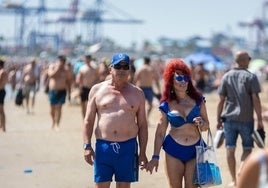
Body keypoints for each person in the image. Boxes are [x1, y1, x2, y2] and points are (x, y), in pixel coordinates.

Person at [83, 52, 148, 188]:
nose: (122, 70)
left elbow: (142, 125)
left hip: (128, 147)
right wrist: (87, 146)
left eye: (125, 67)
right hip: (103, 147)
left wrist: (142, 153)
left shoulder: (138, 93)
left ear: (129, 70)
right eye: (118, 66)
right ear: (110, 69)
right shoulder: (97, 90)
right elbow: (88, 120)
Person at [145, 58, 209, 187]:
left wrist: (202, 123)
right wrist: (155, 157)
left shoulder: (198, 101)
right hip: (173, 149)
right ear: (171, 81)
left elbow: (206, 127)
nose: (183, 82)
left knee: (192, 186)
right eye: (179, 78)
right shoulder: (166, 104)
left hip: (195, 149)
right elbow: (160, 132)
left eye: (186, 78)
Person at [216, 50, 264, 187]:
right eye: (248, 58)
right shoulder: (251, 77)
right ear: (243, 60)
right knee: (247, 149)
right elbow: (255, 99)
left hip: (228, 118)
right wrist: (259, 119)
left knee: (230, 149)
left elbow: (221, 100)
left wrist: (218, 119)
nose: (249, 60)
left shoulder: (226, 76)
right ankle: (241, 171)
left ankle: (233, 180)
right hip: (246, 119)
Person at [47, 55, 72, 130]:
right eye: (61, 61)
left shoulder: (66, 70)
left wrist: (69, 93)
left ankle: (57, 124)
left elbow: (68, 82)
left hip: (62, 91)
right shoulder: (52, 66)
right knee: (52, 109)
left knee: (59, 107)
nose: (62, 63)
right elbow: (51, 75)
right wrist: (57, 68)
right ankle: (53, 121)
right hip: (53, 90)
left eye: (64, 62)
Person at [0, 59, 8, 132]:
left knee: (1, 110)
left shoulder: (2, 72)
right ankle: (2, 125)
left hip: (1, 91)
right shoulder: (4, 72)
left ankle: (3, 126)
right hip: (2, 90)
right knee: (1, 110)